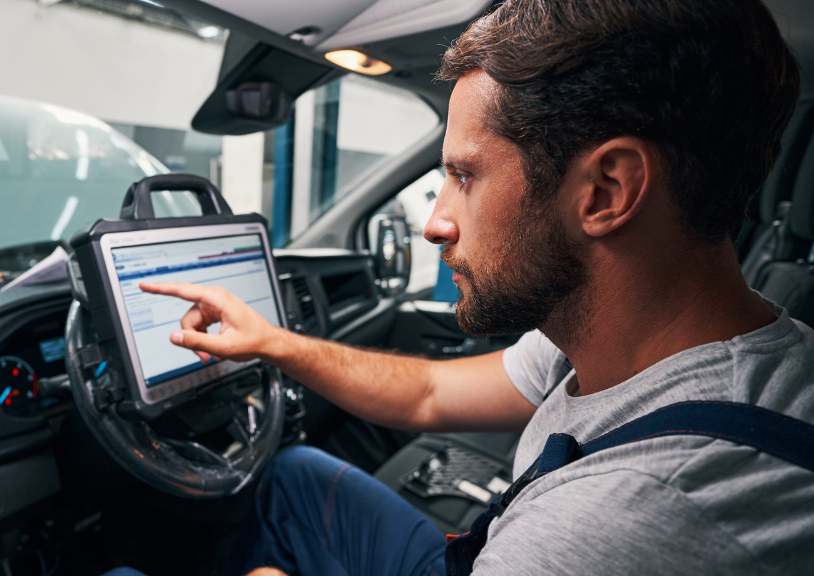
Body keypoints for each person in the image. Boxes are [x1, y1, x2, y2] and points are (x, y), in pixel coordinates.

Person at [129, 0, 814, 574]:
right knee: (295, 474)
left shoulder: (614, 528)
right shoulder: (629, 338)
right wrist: (273, 342)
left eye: (464, 176)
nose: (434, 224)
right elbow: (429, 395)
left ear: (607, 190)